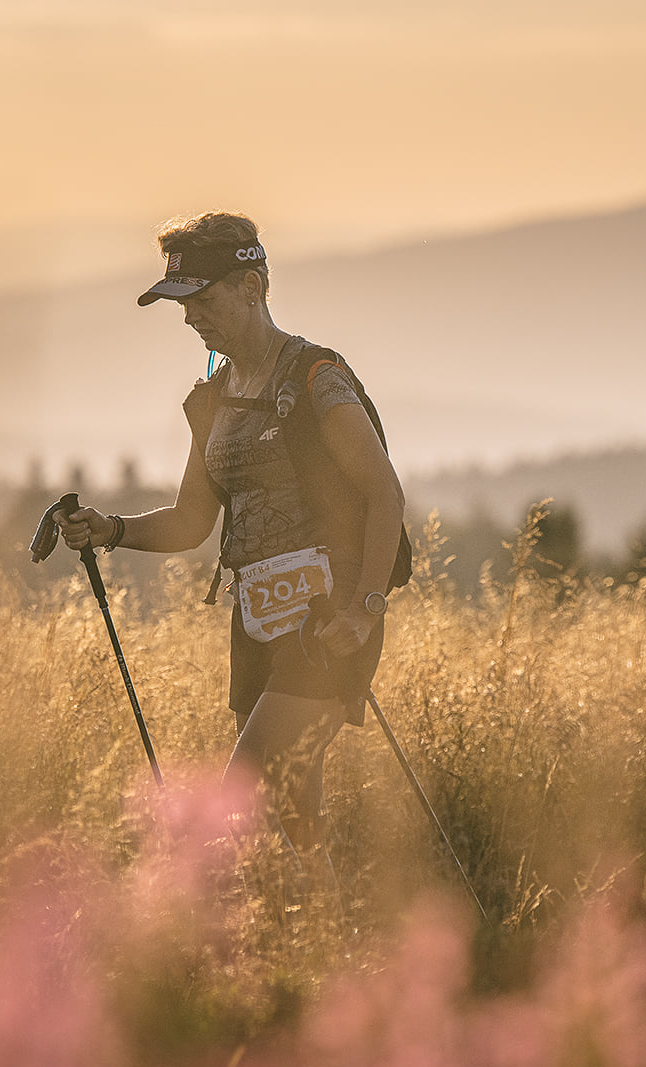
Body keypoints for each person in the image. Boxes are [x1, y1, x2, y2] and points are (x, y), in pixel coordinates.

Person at [54, 211, 407, 852]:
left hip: (326, 621)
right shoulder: (215, 395)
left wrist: (364, 608)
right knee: (294, 822)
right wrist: (107, 530)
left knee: (242, 790)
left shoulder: (315, 377)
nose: (191, 317)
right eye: (182, 304)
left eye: (203, 299)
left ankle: (216, 924)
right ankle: (319, 947)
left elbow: (385, 494)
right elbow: (192, 523)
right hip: (256, 622)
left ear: (252, 288)